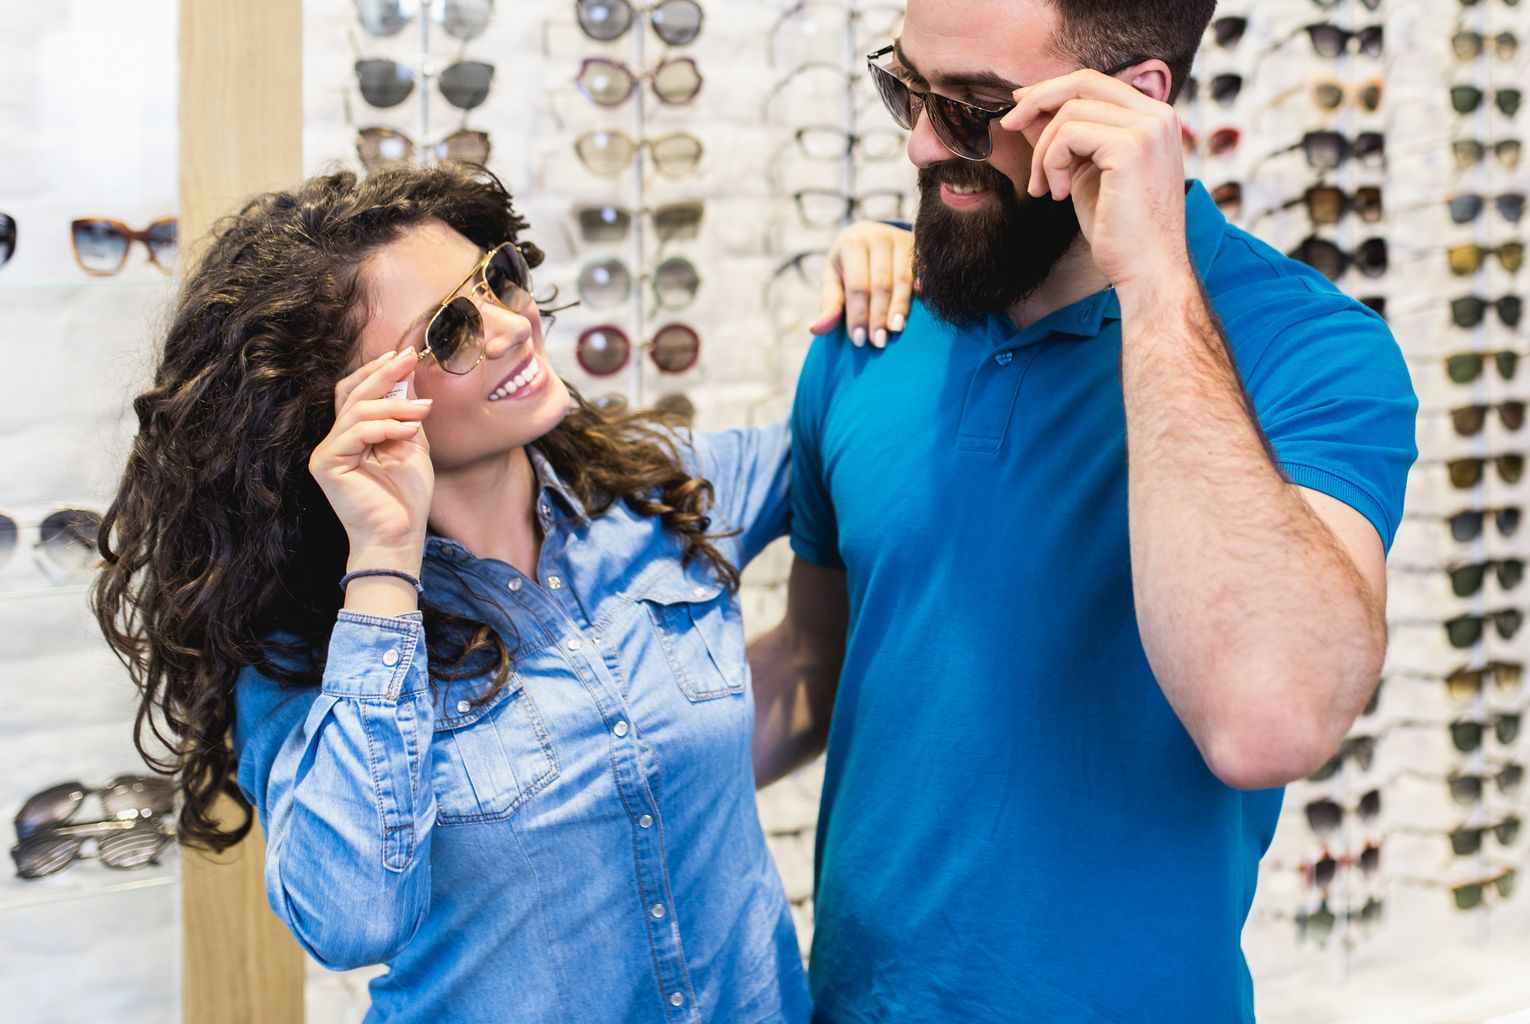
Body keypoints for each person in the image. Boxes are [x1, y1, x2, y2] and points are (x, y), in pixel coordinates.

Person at [749, 0, 1419, 1023]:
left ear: (1134, 103)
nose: (917, 143)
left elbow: (1270, 716)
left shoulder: (1310, 350)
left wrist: (1154, 278)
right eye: (906, 88)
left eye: (970, 109)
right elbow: (817, 666)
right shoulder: (871, 323)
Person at [90, 163, 914, 1024]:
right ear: (338, 415)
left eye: (497, 280)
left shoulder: (659, 499)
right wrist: (384, 561)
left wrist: (892, 259)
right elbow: (352, 919)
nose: (511, 327)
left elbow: (854, 441)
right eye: (448, 333)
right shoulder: (310, 646)